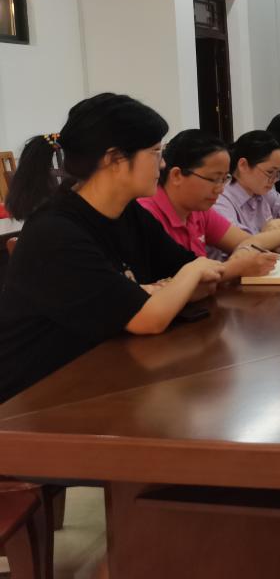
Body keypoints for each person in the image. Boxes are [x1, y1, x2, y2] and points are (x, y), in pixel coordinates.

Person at [0, 94, 225, 403]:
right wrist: (187, 274)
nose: (162, 164)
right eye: (155, 152)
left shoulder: (129, 212)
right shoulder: (55, 233)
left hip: (102, 374)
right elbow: (150, 318)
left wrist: (168, 286)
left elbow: (205, 282)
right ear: (114, 159)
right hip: (32, 400)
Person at [140, 129, 280, 275]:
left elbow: (249, 242)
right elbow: (177, 282)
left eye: (224, 179)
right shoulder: (146, 214)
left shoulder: (199, 210)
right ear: (177, 176)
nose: (221, 189)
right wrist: (234, 267)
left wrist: (244, 251)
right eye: (214, 179)